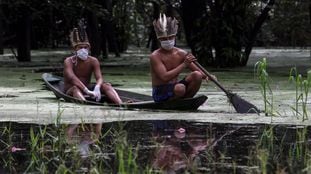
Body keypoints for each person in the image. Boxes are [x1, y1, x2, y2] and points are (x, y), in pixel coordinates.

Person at [63, 21, 122, 142]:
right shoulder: (68, 61)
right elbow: (72, 78)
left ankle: (121, 104)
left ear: (89, 48)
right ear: (75, 48)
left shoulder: (93, 61)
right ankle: (86, 107)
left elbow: (99, 77)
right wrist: (86, 91)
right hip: (72, 90)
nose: (83, 50)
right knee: (75, 88)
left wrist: (97, 87)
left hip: (88, 88)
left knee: (106, 85)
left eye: (86, 47)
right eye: (80, 47)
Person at [150, 13, 213, 102]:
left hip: (177, 87)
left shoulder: (181, 53)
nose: (167, 41)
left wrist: (208, 76)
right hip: (161, 91)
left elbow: (198, 71)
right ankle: (172, 101)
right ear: (159, 39)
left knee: (197, 75)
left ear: (174, 37)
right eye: (164, 39)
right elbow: (164, 77)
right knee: (180, 88)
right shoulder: (155, 56)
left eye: (170, 38)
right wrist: (184, 64)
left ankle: (185, 99)